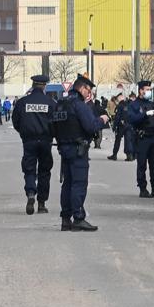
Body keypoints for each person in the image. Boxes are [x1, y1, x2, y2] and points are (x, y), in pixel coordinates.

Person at [52, 74, 110, 231]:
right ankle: (78, 218)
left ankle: (65, 219)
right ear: (82, 88)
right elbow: (91, 126)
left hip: (64, 148)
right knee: (78, 184)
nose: (88, 93)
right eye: (88, 89)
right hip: (78, 149)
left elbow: (54, 127)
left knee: (67, 184)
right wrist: (103, 119)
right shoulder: (79, 105)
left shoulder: (60, 104)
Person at [12, 75, 56, 216]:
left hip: (29, 141)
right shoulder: (51, 103)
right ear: (44, 86)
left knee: (29, 169)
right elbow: (56, 122)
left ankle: (31, 193)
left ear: (33, 84)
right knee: (44, 171)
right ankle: (42, 203)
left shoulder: (22, 102)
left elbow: (16, 121)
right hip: (45, 141)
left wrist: (24, 133)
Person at [127, 80, 154, 198]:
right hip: (142, 138)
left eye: (150, 90)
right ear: (141, 91)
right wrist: (144, 115)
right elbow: (132, 119)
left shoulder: (153, 104)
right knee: (142, 165)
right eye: (147, 90)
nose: (149, 92)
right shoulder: (134, 105)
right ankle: (143, 188)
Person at [108, 93, 134, 161]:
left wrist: (114, 126)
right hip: (129, 125)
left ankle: (114, 155)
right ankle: (129, 155)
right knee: (128, 140)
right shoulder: (129, 105)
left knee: (118, 140)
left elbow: (117, 117)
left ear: (119, 99)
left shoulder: (120, 106)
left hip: (121, 126)